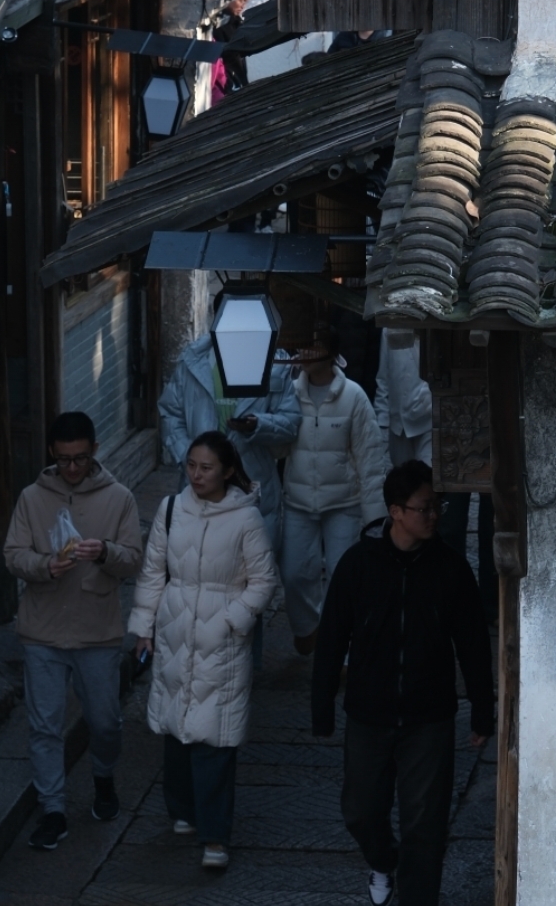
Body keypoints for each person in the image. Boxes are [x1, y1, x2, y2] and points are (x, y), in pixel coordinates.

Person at [312, 459, 494, 906]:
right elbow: (332, 638)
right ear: (395, 512)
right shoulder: (359, 565)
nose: (434, 515)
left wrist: (483, 709)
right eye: (423, 507)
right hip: (368, 713)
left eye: (437, 506)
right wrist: (322, 704)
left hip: (428, 716)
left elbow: (473, 644)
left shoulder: (450, 569)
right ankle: (382, 861)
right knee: (360, 809)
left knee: (425, 823)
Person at [128, 430, 278, 872]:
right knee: (176, 728)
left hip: (221, 639)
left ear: (228, 471)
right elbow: (154, 570)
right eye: (191, 465)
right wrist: (143, 628)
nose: (196, 474)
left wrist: (233, 620)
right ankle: (182, 811)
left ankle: (215, 834)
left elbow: (263, 581)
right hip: (176, 631)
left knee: (215, 735)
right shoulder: (171, 509)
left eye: (206, 467)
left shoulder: (246, 520)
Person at [3, 411, 144, 850]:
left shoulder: (118, 497)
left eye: (81, 458)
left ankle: (103, 777)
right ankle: (53, 810)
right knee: (44, 725)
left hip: (96, 630)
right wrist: (45, 566)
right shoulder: (32, 497)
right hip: (42, 630)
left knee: (104, 721)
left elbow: (134, 559)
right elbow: (13, 554)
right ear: (52, 455)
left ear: (95, 452)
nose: (72, 468)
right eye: (64, 460)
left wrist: (103, 551)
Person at [282, 330, 387, 657]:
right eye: (303, 345)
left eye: (314, 345)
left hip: (344, 502)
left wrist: (375, 521)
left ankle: (340, 649)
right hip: (298, 502)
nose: (306, 352)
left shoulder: (353, 396)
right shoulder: (288, 393)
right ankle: (307, 627)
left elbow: (370, 459)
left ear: (331, 351)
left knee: (344, 579)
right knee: (294, 573)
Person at [159, 328, 299, 569]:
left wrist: (260, 424)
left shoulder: (274, 366)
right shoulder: (193, 362)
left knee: (250, 571)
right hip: (199, 492)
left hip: (253, 486)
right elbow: (170, 413)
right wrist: (188, 458)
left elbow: (291, 421)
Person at [374, 328, 432, 468]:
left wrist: (425, 400)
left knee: (425, 477)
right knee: (402, 481)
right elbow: (384, 379)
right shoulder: (389, 328)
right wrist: (382, 422)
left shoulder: (432, 331)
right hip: (397, 425)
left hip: (427, 421)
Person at [210, 0, 251, 101]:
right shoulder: (221, 24)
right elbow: (224, 59)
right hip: (226, 87)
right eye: (241, 1)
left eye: (245, 2)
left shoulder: (237, 23)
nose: (243, 6)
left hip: (235, 84)